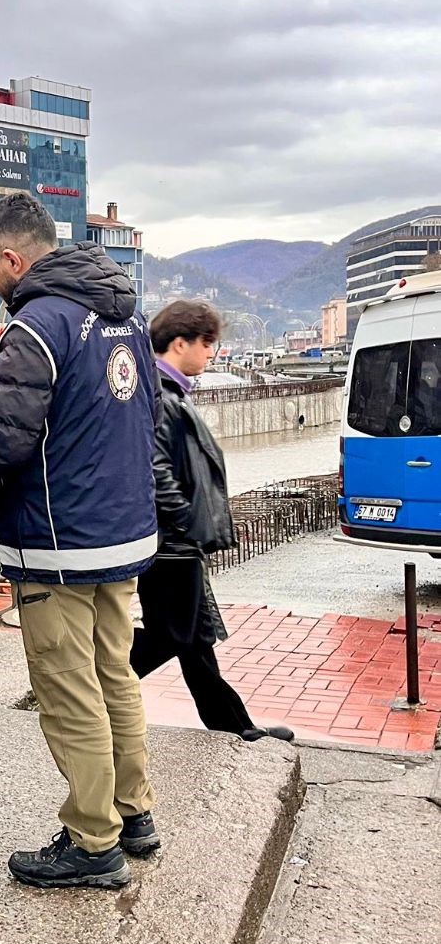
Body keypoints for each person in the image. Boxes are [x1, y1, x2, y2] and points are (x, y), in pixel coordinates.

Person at [0, 191, 159, 888]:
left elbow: (6, 442)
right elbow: (136, 417)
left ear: (12, 258)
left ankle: (92, 841)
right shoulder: (125, 318)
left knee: (68, 689)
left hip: (58, 541)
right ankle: (133, 811)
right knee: (114, 673)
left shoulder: (34, 325)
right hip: (121, 533)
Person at [131, 300, 294, 744]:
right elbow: (154, 469)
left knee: (193, 640)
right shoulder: (162, 396)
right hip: (171, 544)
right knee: (174, 637)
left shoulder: (167, 391)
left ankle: (236, 726)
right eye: (206, 343)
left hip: (175, 543)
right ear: (179, 343)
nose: (211, 353)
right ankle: (88, 686)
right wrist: (186, 521)